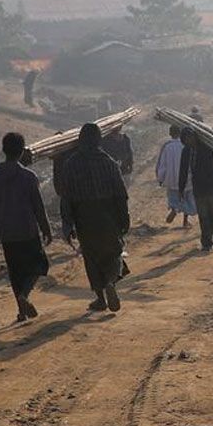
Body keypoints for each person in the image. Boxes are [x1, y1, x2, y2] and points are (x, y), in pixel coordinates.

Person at [60, 123, 131, 313]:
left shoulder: (71, 164)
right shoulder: (108, 162)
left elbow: (65, 197)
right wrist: (124, 219)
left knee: (92, 258)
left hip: (84, 218)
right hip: (108, 215)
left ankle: (100, 298)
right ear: (99, 140)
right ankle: (110, 282)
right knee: (114, 252)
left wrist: (67, 225)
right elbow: (121, 194)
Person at [0, 132, 53, 322]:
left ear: (4, 150)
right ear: (22, 151)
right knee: (39, 265)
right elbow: (38, 206)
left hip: (7, 232)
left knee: (15, 271)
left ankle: (21, 311)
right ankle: (25, 295)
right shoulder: (28, 176)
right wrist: (46, 229)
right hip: (28, 230)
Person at [177, 128, 213, 251]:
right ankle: (206, 242)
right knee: (203, 215)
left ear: (195, 137)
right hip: (198, 187)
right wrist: (181, 189)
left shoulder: (207, 147)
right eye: (186, 139)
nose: (189, 141)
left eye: (190, 137)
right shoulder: (186, 151)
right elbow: (183, 170)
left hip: (212, 185)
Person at [155, 126, 194, 228]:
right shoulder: (186, 145)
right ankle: (185, 222)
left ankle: (175, 209)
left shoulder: (167, 146)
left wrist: (160, 178)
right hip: (186, 178)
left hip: (171, 178)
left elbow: (162, 164)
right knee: (187, 198)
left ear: (170, 133)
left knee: (173, 197)